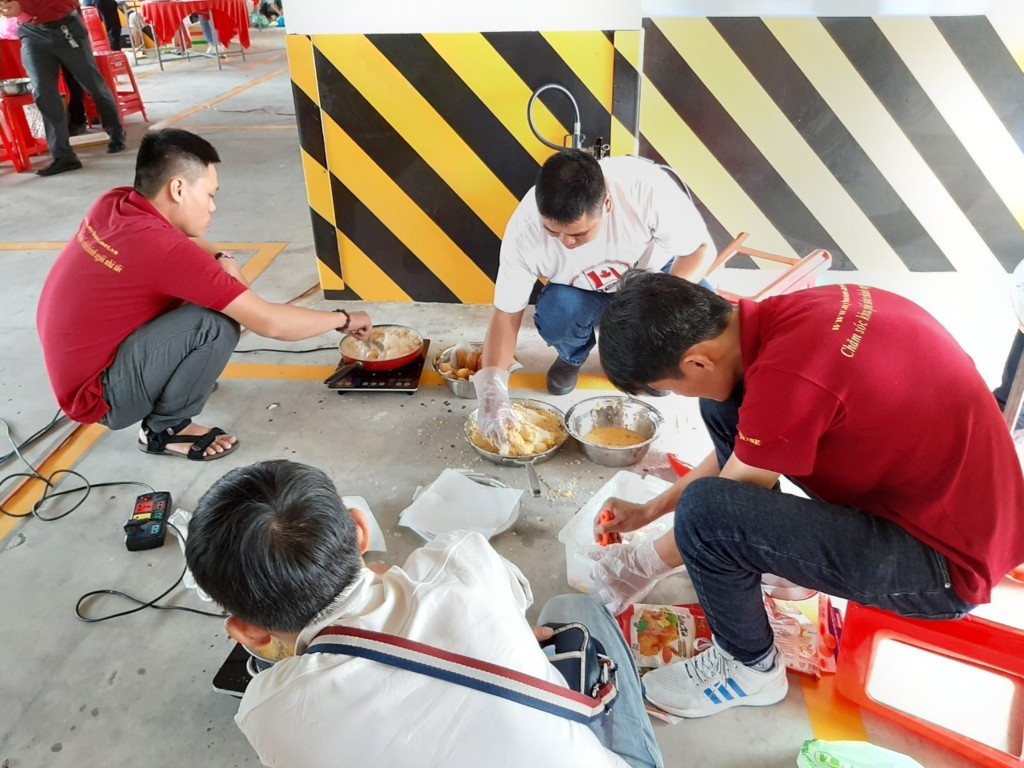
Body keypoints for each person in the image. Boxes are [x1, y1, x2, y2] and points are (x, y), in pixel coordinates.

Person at [589, 272, 1024, 719]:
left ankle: (750, 668)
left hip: (945, 563)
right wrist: (648, 510)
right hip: (962, 506)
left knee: (705, 517)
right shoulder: (795, 316)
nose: (676, 394)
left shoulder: (791, 377)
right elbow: (744, 457)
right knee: (724, 404)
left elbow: (712, 512)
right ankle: (765, 565)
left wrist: (641, 563)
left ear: (698, 362)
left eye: (667, 388)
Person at [185, 460, 663, 768]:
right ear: (360, 530)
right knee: (571, 608)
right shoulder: (462, 557)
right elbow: (517, 604)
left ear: (246, 632)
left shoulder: (265, 712)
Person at [37, 129, 374, 461]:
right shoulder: (166, 253)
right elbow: (271, 324)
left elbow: (183, 243)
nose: (213, 207)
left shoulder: (117, 203)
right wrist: (344, 319)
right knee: (215, 323)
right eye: (210, 195)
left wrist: (222, 257)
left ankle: (172, 383)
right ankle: (164, 429)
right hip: (100, 397)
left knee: (202, 296)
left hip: (85, 372)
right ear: (178, 189)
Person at [473, 150, 715, 452]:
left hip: (650, 280)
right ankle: (571, 357)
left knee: (702, 311)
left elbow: (699, 250)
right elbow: (506, 314)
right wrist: (493, 390)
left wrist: (660, 311)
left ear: (607, 204)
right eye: (553, 231)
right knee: (557, 312)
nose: (566, 242)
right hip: (580, 292)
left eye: (578, 234)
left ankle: (651, 363)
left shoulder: (646, 189)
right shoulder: (524, 232)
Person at [0, 0, 126, 176]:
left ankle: (116, 132)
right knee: (44, 93)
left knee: (93, 85)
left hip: (66, 28)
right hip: (32, 33)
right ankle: (63, 156)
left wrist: (24, 5)